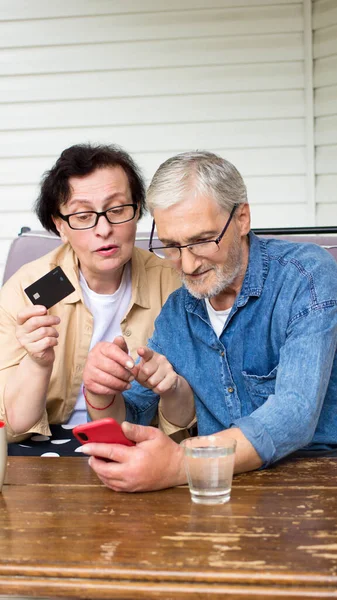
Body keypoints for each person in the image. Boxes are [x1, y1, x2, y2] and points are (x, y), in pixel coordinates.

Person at [81, 150, 337, 492]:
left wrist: (181, 464)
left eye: (201, 240)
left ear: (242, 218)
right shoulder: (178, 311)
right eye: (171, 246)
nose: (187, 265)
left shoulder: (306, 276)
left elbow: (295, 415)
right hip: (217, 486)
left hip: (315, 476)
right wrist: (102, 391)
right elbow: (133, 419)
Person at [0, 143, 181, 455]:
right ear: (60, 226)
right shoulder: (26, 288)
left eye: (117, 210)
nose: (104, 229)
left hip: (142, 440)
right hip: (48, 446)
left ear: (137, 211)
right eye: (83, 216)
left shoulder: (173, 284)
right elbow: (14, 428)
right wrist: (37, 362)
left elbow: (190, 420)